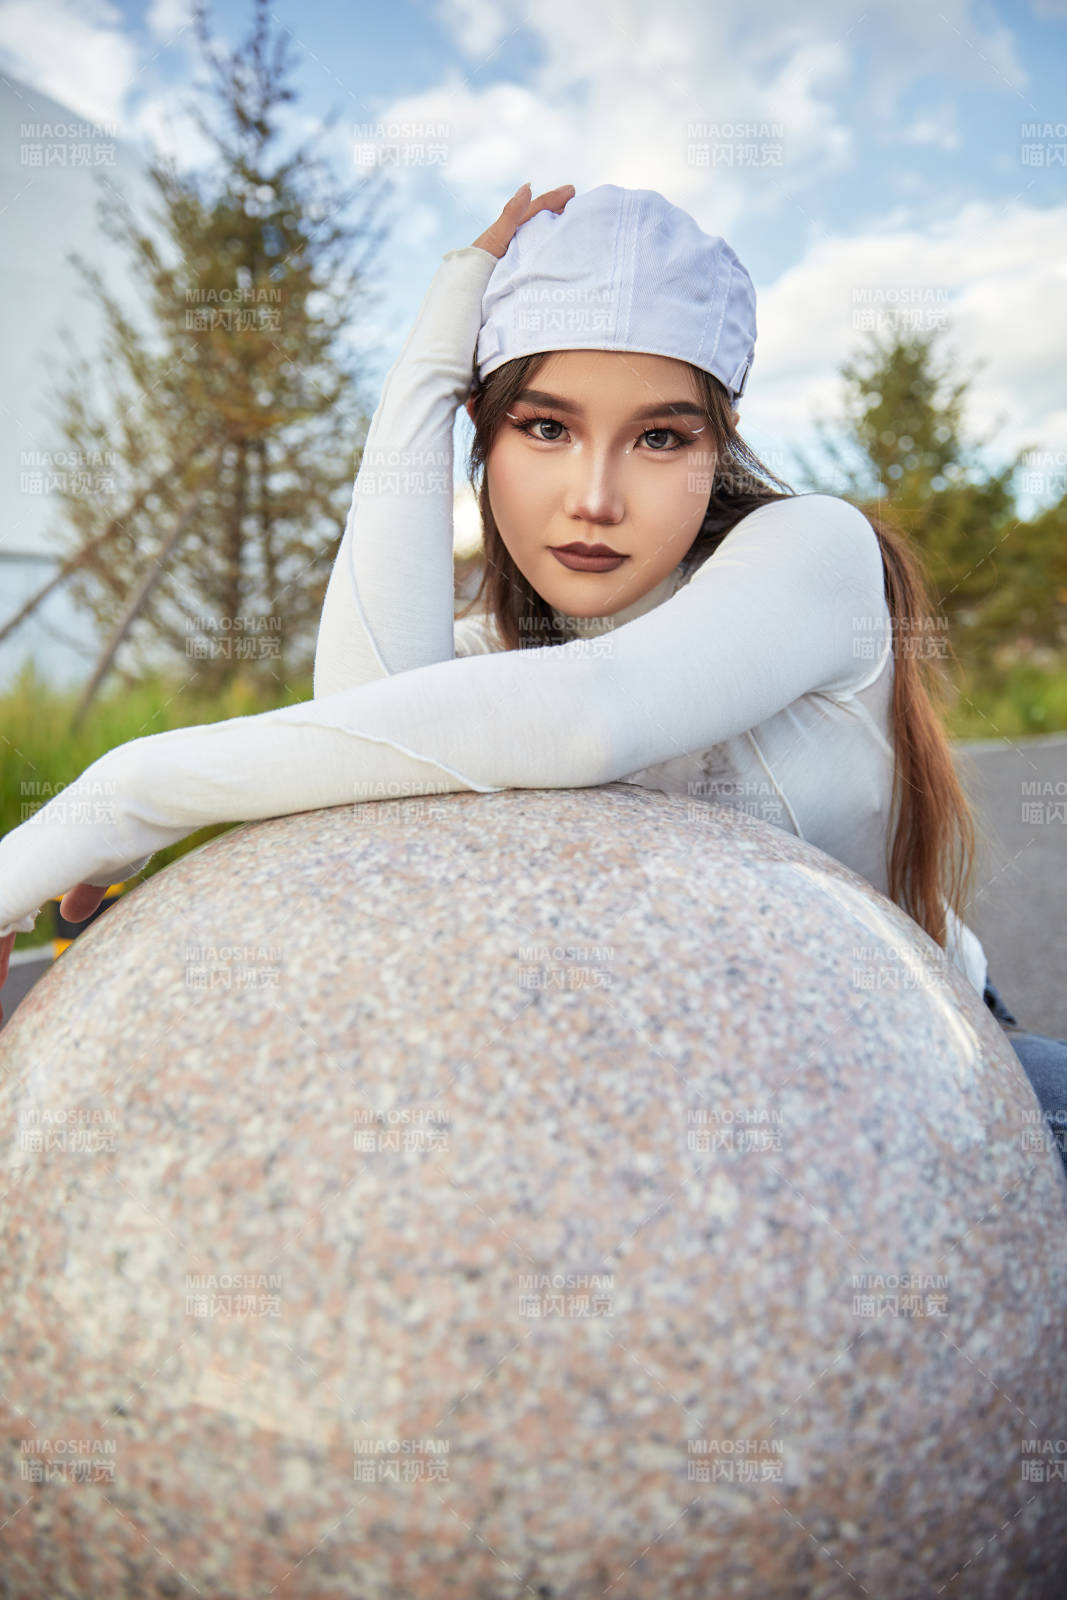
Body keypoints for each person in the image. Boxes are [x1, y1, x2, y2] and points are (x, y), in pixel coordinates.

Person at [0, 181, 1063, 1172]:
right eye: (543, 427)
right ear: (483, 434)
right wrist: (425, 366)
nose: (592, 496)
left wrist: (126, 795)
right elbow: (363, 723)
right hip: (675, 1115)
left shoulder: (813, 557)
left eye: (658, 437)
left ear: (717, 451)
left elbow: (592, 720)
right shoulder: (490, 661)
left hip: (932, 1070)